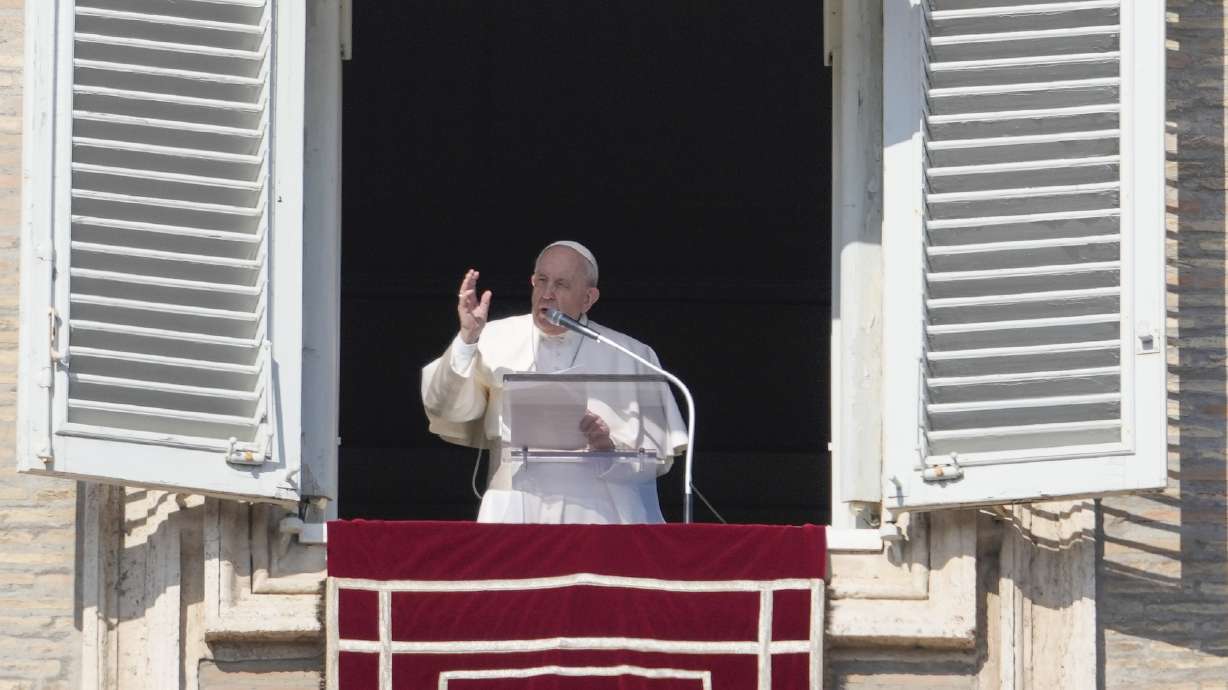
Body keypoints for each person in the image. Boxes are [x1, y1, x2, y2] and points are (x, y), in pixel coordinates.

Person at [421, 241, 686, 524]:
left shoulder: (630, 354)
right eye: (541, 281)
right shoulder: (492, 337)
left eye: (561, 284)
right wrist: (467, 339)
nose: (547, 294)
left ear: (588, 298)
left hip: (598, 513)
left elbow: (656, 461)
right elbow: (447, 408)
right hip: (513, 506)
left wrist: (607, 449)